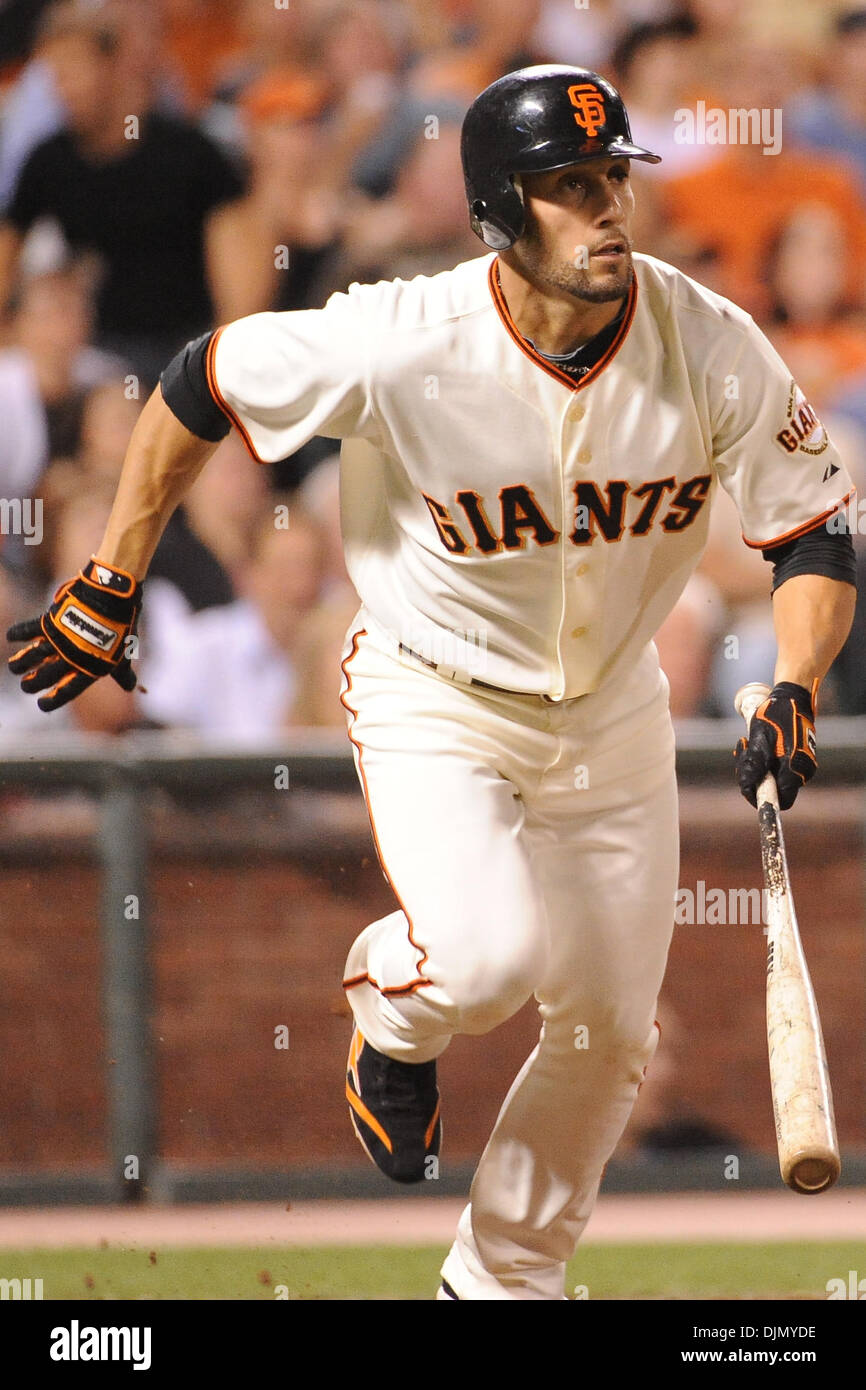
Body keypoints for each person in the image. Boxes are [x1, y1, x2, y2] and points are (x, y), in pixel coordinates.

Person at [6, 65, 856, 1300]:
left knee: (609, 1033)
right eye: (567, 188)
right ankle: (392, 1023)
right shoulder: (402, 340)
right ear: (498, 215)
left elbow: (813, 534)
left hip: (612, 709)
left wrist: (793, 675)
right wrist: (107, 579)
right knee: (483, 956)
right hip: (434, 691)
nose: (606, 208)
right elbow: (201, 380)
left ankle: (498, 1280)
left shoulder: (707, 340)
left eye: (612, 177)